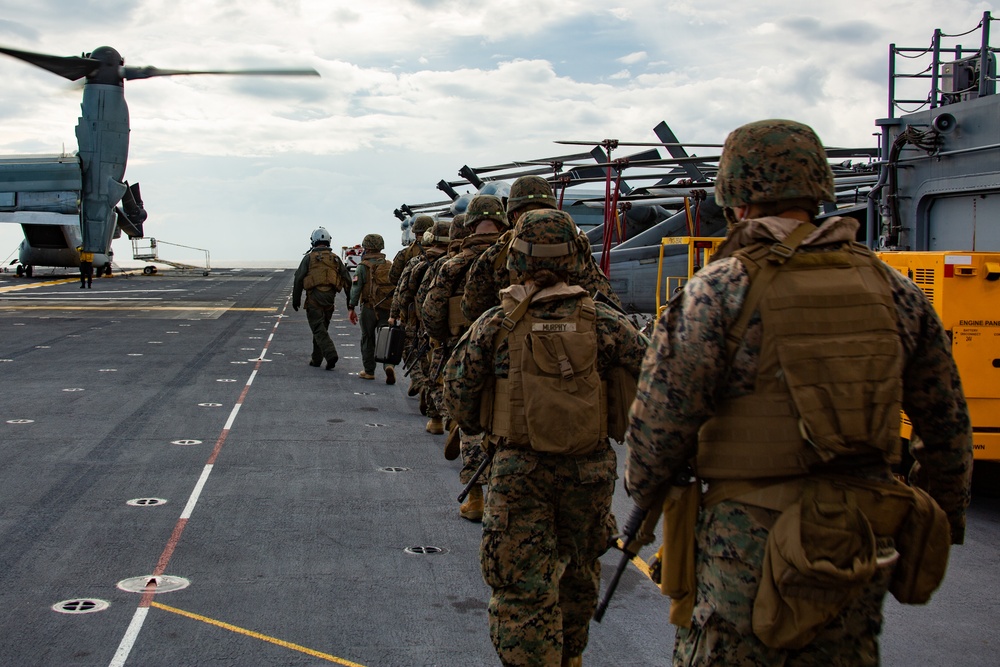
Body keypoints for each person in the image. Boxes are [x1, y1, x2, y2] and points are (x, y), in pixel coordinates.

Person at [623, 118, 974, 665]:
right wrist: (941, 518)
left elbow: (659, 430)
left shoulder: (718, 291)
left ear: (736, 199)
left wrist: (645, 496)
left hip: (745, 545)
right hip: (858, 541)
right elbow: (947, 427)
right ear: (819, 190)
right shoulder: (895, 290)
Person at [443, 208, 648, 667]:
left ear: (516, 259)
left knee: (520, 587)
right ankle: (570, 657)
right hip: (591, 472)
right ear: (576, 257)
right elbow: (658, 380)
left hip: (519, 472)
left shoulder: (495, 325)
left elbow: (457, 398)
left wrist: (484, 425)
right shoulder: (608, 323)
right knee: (578, 573)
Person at [423, 196, 506, 521]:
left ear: (469, 224)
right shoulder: (515, 257)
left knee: (470, 417)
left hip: (465, 349)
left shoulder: (454, 265)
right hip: (513, 354)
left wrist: (443, 339)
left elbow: (431, 311)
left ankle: (476, 497)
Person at [462, 175, 620, 323]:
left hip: (516, 344)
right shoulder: (575, 249)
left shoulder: (495, 255)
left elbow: (471, 310)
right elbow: (609, 303)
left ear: (514, 214)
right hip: (576, 344)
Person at [292, 227, 352, 370]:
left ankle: (330, 354)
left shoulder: (309, 258)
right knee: (321, 328)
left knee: (318, 328)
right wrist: (350, 302)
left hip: (314, 298)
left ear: (313, 241)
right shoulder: (336, 259)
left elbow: (299, 279)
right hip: (330, 299)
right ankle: (316, 358)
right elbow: (347, 280)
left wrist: (296, 299)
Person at [348, 233, 397, 383]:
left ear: (366, 248)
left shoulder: (363, 267)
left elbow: (356, 289)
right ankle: (388, 365)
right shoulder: (389, 265)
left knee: (368, 338)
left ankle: (369, 371)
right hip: (386, 307)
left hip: (369, 308)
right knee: (386, 338)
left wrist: (351, 307)